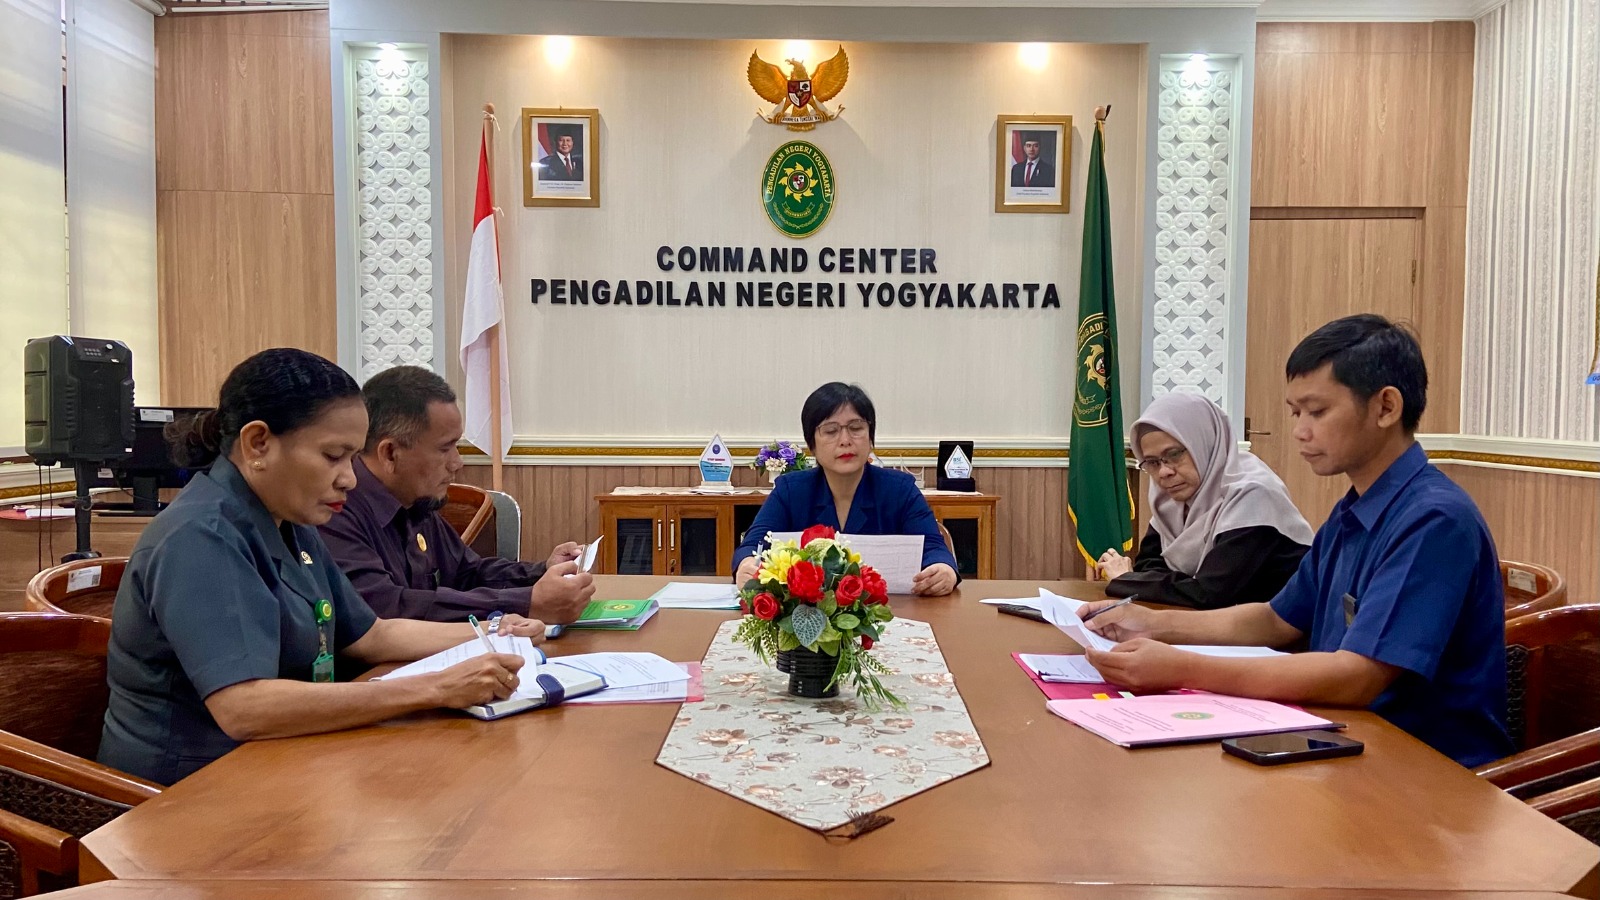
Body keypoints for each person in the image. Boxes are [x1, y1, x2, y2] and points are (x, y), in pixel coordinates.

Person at [1077, 315, 1510, 768]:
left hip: (1426, 768)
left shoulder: (1433, 519)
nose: (1300, 431)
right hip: (1342, 736)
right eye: (1295, 412)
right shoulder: (1353, 509)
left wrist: (1182, 668)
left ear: (1385, 408)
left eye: (1317, 412)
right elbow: (1275, 619)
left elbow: (1358, 676)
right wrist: (1153, 624)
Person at [99, 349, 544, 786]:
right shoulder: (201, 536)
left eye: (352, 458)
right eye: (333, 457)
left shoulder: (288, 517)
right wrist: (436, 687)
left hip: (283, 764)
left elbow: (371, 634)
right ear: (258, 443)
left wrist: (495, 632)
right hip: (188, 797)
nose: (350, 478)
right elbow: (244, 707)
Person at [318, 366, 594, 623]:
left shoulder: (415, 499)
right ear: (390, 453)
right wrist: (524, 602)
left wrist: (541, 571)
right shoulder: (335, 508)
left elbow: (466, 572)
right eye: (444, 448)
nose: (457, 463)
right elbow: (387, 608)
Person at [733, 383, 959, 595]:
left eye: (856, 428)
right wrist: (746, 566)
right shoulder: (791, 491)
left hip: (891, 613)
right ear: (811, 444)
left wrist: (943, 569)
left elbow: (934, 548)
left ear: (871, 438)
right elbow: (754, 546)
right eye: (831, 431)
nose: (845, 440)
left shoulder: (899, 490)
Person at [1094, 392, 1312, 609]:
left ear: (1204, 443)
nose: (1164, 472)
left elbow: (1210, 593)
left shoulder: (1253, 494)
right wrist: (1136, 580)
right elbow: (1149, 565)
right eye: (1151, 462)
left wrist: (1126, 579)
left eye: (1174, 454)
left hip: (1280, 636)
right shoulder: (1174, 496)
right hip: (1218, 626)